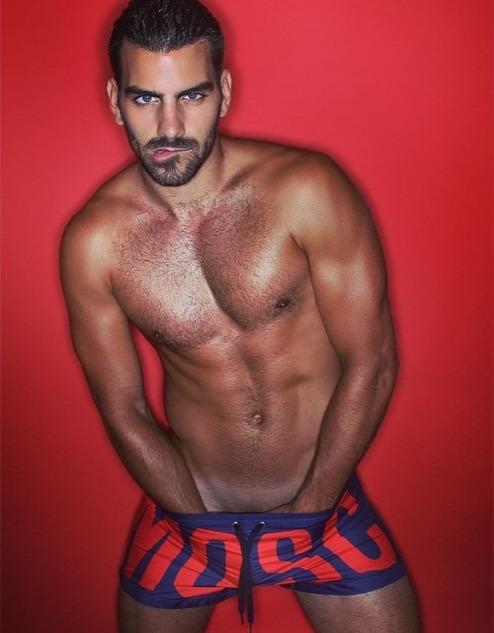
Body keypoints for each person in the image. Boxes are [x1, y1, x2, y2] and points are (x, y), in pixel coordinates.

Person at [60, 0, 420, 631]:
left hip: (322, 507)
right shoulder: (96, 244)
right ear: (116, 100)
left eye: (192, 95)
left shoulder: (307, 190)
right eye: (145, 99)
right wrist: (194, 525)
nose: (170, 126)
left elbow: (374, 361)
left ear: (223, 91)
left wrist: (312, 511)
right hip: (188, 516)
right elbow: (124, 407)